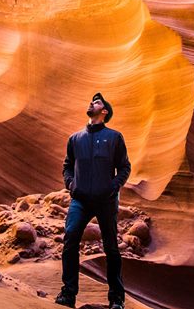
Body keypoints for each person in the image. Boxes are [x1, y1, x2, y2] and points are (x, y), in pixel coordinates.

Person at [55, 93, 132, 309]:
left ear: (105, 111)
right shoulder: (75, 138)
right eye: (91, 101)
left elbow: (125, 167)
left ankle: (116, 299)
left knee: (111, 248)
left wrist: (113, 187)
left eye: (97, 102)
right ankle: (68, 294)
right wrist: (71, 185)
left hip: (105, 201)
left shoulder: (114, 137)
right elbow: (67, 165)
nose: (92, 103)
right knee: (70, 241)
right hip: (80, 200)